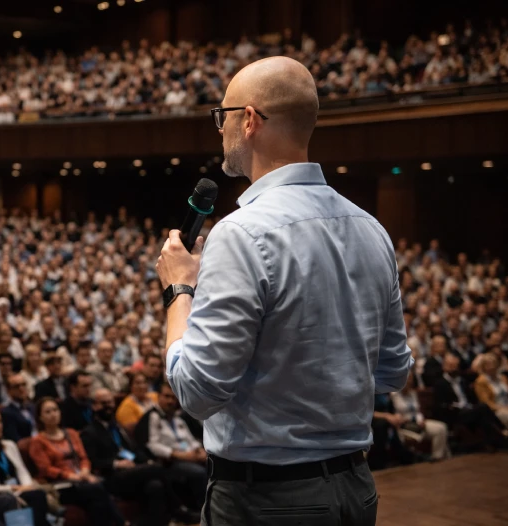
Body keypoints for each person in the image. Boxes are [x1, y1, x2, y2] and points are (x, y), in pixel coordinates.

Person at [155, 56, 411, 524]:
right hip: (356, 491)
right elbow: (393, 372)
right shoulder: (372, 228)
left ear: (249, 120)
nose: (221, 130)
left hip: (268, 500)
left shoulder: (241, 233)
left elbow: (196, 391)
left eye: (223, 116)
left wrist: (178, 290)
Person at [82, 388, 190, 526]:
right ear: (95, 406)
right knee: (156, 468)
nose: (109, 406)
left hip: (133, 473)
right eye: (104, 403)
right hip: (112, 477)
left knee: (155, 486)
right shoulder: (89, 432)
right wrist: (116, 464)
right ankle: (178, 508)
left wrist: (145, 461)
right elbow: (93, 462)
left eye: (110, 402)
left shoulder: (117, 427)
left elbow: (134, 450)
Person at [28, 397, 126, 526]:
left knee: (95, 502)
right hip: (60, 485)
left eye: (55, 410)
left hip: (81, 479)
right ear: (40, 417)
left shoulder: (71, 433)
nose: (53, 414)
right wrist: (73, 476)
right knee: (96, 489)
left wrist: (84, 472)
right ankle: (123, 523)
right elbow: (46, 469)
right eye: (48, 412)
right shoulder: (38, 441)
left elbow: (83, 457)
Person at [0, 409, 51, 526]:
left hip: (21, 489)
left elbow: (22, 471)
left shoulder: (9, 445)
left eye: (0, 422)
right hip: (2, 494)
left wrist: (25, 486)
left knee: (36, 493)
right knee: (36, 497)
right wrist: (13, 488)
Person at [139, 383, 206, 513]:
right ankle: (203, 509)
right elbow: (152, 445)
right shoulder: (152, 416)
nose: (170, 401)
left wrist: (199, 450)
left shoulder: (177, 417)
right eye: (167, 396)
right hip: (169, 462)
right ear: (158, 397)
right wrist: (177, 455)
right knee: (199, 473)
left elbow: (189, 439)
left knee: (212, 464)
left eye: (173, 398)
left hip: (189, 456)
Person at [433, 353, 508, 447]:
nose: (453, 368)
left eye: (455, 366)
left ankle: (494, 443)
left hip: (470, 410)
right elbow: (440, 404)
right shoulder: (440, 383)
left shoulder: (462, 380)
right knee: (483, 407)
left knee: (483, 416)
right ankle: (501, 430)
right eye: (450, 366)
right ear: (444, 367)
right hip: (456, 413)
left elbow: (471, 398)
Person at [389, 373, 450, 460]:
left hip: (418, 423)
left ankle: (437, 457)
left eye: (410, 379)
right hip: (403, 426)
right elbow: (393, 412)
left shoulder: (413, 393)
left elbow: (418, 411)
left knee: (441, 427)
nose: (409, 381)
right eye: (406, 379)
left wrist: (422, 420)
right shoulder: (393, 395)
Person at [474, 353, 508, 426]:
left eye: (493, 364)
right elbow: (486, 403)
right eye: (488, 365)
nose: (492, 367)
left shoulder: (503, 377)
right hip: (496, 411)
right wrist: (503, 408)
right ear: (483, 367)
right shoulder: (480, 381)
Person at [1, 373, 37, 442]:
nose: (21, 388)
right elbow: (16, 441)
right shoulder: (6, 413)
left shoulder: (33, 407)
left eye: (23, 385)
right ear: (8, 391)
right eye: (16, 386)